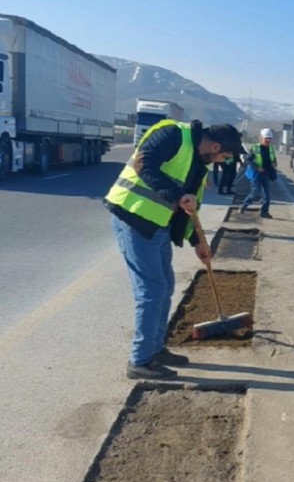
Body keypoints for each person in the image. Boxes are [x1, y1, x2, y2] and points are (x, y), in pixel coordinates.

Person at [104, 119, 242, 380]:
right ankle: (140, 360)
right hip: (133, 218)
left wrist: (197, 242)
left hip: (158, 226)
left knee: (165, 286)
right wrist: (177, 194)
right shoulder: (173, 135)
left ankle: (155, 349)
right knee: (151, 291)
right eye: (223, 157)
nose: (220, 162)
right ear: (214, 146)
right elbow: (143, 164)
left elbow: (190, 207)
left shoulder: (198, 164)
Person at [239, 128, 278, 218]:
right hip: (257, 174)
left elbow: (273, 159)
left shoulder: (271, 148)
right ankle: (244, 205)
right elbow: (248, 159)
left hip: (266, 174)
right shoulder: (255, 148)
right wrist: (257, 167)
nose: (268, 140)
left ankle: (264, 212)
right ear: (261, 138)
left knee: (267, 195)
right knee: (255, 192)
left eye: (269, 138)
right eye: (266, 138)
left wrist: (275, 163)